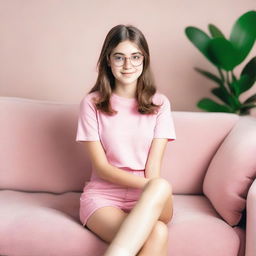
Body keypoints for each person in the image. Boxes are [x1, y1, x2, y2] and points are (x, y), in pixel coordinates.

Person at [76, 24, 176, 256]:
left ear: (144, 60)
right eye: (119, 57)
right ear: (108, 61)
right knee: (158, 233)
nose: (128, 65)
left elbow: (154, 167)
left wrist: (153, 188)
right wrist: (153, 186)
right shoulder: (92, 103)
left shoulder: (160, 104)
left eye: (135, 57)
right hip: (104, 197)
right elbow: (102, 168)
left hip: (149, 197)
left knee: (159, 184)